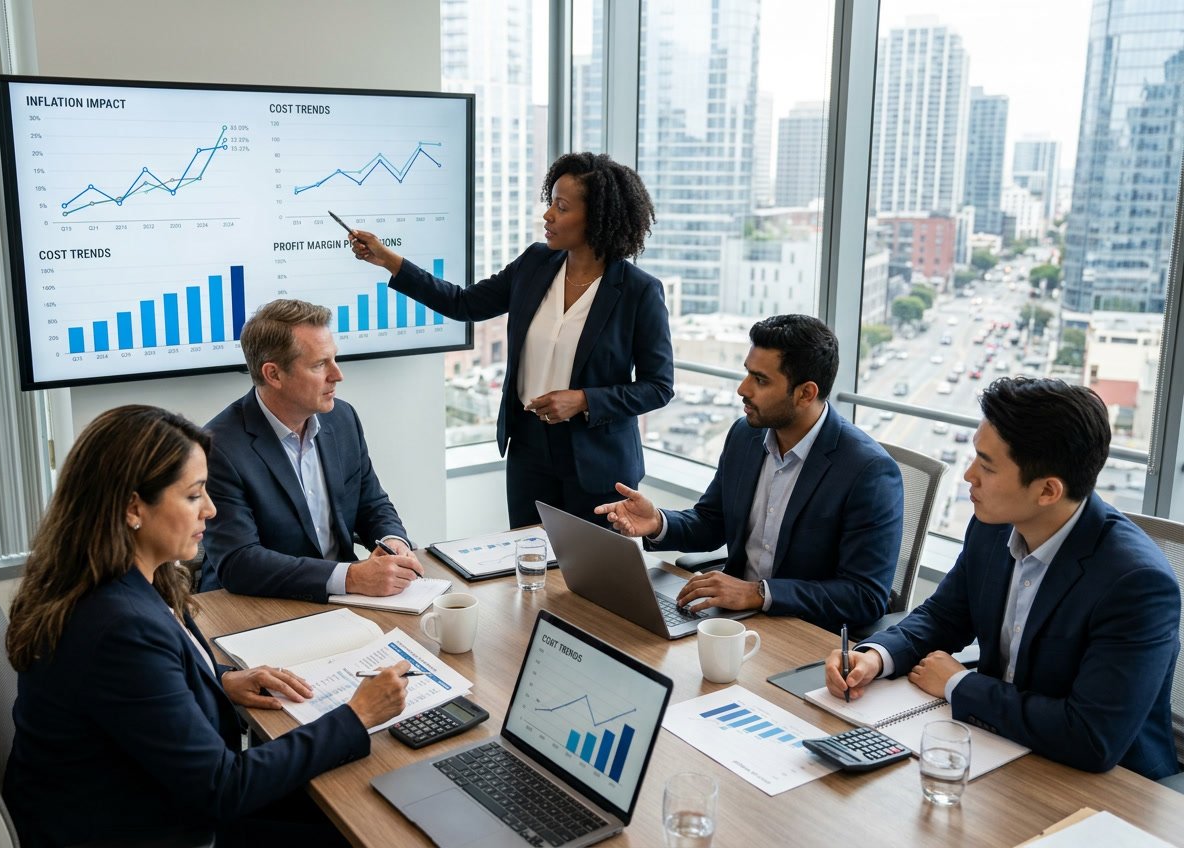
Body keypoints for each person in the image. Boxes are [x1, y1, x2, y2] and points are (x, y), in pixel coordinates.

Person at [3, 405, 411, 846]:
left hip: (142, 791)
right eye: (195, 495)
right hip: (145, 826)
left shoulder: (116, 576)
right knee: (364, 822)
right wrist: (356, 715)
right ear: (133, 508)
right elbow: (224, 788)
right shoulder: (118, 627)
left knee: (360, 796)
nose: (212, 510)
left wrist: (222, 679)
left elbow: (145, 685)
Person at [827, 377, 1180, 779]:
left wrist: (959, 686)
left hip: (1108, 788)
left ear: (1048, 491)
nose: (968, 476)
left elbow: (1091, 736)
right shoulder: (993, 526)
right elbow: (944, 616)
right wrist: (875, 657)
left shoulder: (1137, 584)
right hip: (998, 748)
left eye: (987, 465)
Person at [348, 151, 674, 528]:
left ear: (597, 217)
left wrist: (584, 400)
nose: (548, 215)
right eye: (550, 203)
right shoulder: (536, 263)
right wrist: (389, 260)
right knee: (528, 561)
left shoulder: (639, 291)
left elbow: (658, 387)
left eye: (561, 207)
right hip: (529, 446)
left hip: (598, 459)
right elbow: (464, 303)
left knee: (592, 577)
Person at [596, 314, 903, 634]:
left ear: (806, 393)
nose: (743, 389)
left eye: (761, 380)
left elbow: (864, 596)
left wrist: (758, 594)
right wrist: (659, 522)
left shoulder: (869, 472)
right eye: (747, 373)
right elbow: (712, 523)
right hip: (731, 619)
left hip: (804, 631)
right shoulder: (746, 435)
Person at [200, 299, 423, 601]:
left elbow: (372, 503)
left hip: (340, 597)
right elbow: (240, 562)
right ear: (273, 374)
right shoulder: (219, 447)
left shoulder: (342, 419)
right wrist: (352, 577)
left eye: (334, 359)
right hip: (254, 606)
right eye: (320, 364)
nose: (337, 374)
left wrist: (392, 541)